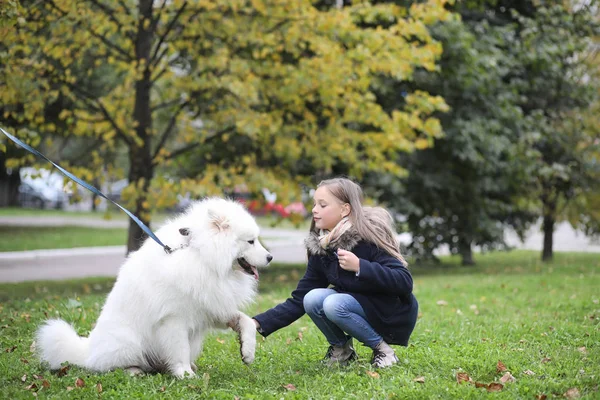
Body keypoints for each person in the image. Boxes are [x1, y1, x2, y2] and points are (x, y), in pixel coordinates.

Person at [252, 178, 418, 368]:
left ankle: (384, 351)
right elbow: (300, 299)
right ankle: (342, 351)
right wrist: (258, 322)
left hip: (388, 312)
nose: (314, 209)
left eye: (322, 205)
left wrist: (361, 266)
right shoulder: (323, 246)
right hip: (355, 306)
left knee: (333, 303)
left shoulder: (368, 237)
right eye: (314, 204)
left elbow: (404, 281)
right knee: (312, 298)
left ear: (345, 209)